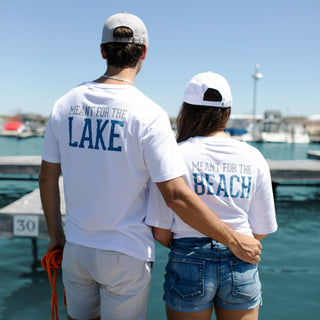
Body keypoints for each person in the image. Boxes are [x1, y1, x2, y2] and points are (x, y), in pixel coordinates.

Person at [39, 12, 263, 320]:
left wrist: (56, 235)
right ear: (144, 52)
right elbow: (175, 195)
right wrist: (233, 239)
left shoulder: (64, 105)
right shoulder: (149, 113)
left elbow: (48, 177)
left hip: (77, 247)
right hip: (125, 254)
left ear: (103, 51)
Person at [146, 72, 278, 320]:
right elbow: (261, 229)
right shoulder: (254, 158)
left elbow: (160, 232)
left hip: (188, 260)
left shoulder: (173, 157)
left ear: (187, 110)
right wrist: (232, 243)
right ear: (226, 112)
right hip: (240, 261)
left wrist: (194, 247)